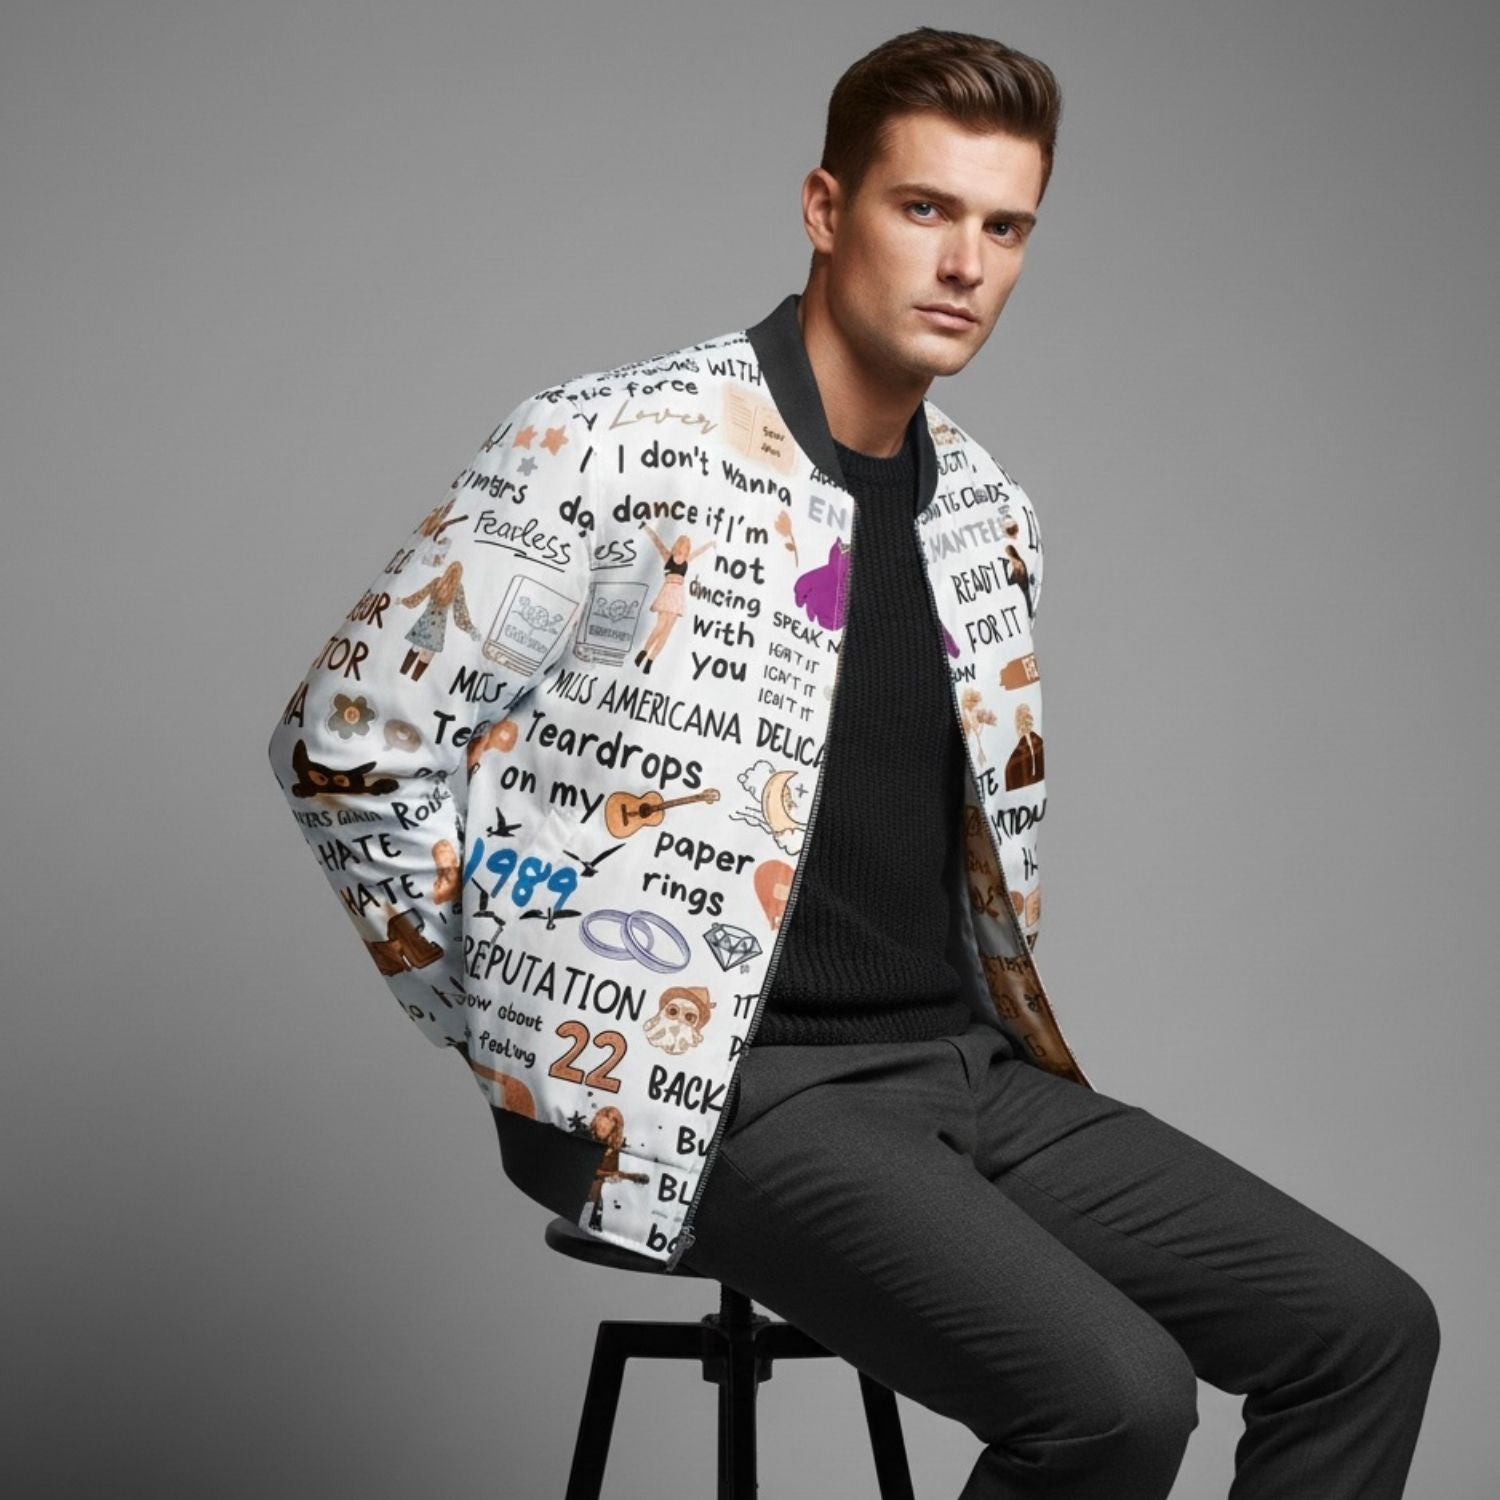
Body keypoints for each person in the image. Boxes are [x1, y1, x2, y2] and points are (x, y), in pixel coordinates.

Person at [267, 26, 1439, 1499]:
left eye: (1005, 226)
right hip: (720, 1088)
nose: (967, 263)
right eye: (925, 210)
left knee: (1368, 1330)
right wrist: (518, 1024)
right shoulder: (608, 446)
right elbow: (346, 742)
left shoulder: (987, 513)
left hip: (963, 1068)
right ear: (828, 210)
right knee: (1118, 1403)